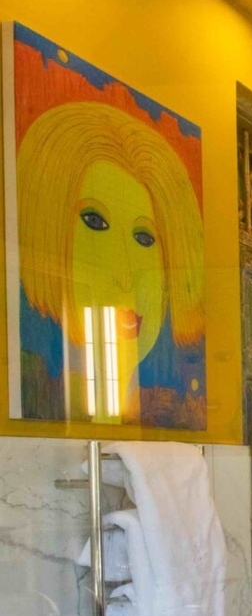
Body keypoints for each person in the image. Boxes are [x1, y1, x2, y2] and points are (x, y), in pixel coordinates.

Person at [16, 100, 204, 426]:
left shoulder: (176, 411)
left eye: (145, 239)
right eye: (95, 221)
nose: (125, 276)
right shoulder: (32, 387)